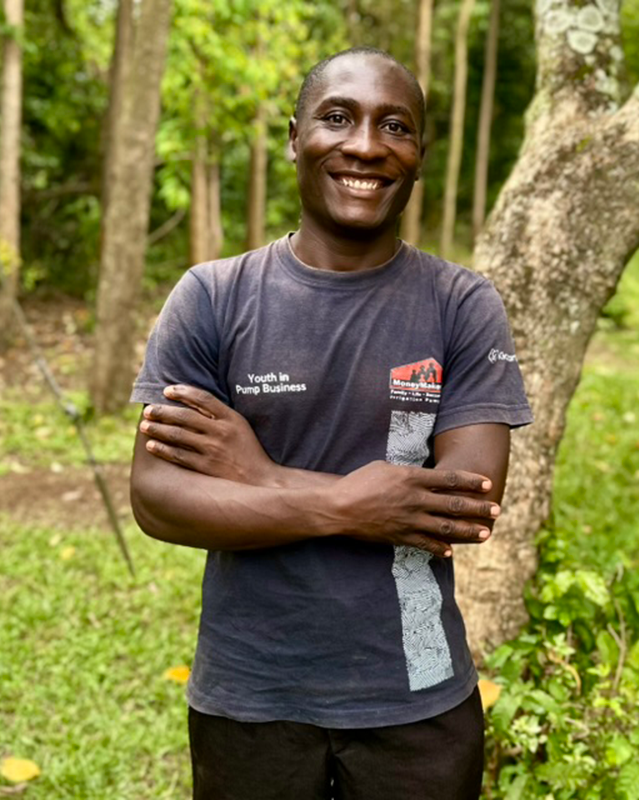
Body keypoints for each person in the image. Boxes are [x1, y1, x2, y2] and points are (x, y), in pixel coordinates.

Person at [128, 46, 531, 800]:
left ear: (417, 156)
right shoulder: (212, 298)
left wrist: (262, 476)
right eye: (338, 118)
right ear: (294, 138)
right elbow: (155, 497)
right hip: (249, 696)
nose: (366, 145)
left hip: (419, 696)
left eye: (396, 127)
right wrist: (353, 505)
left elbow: (467, 505)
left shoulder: (460, 305)